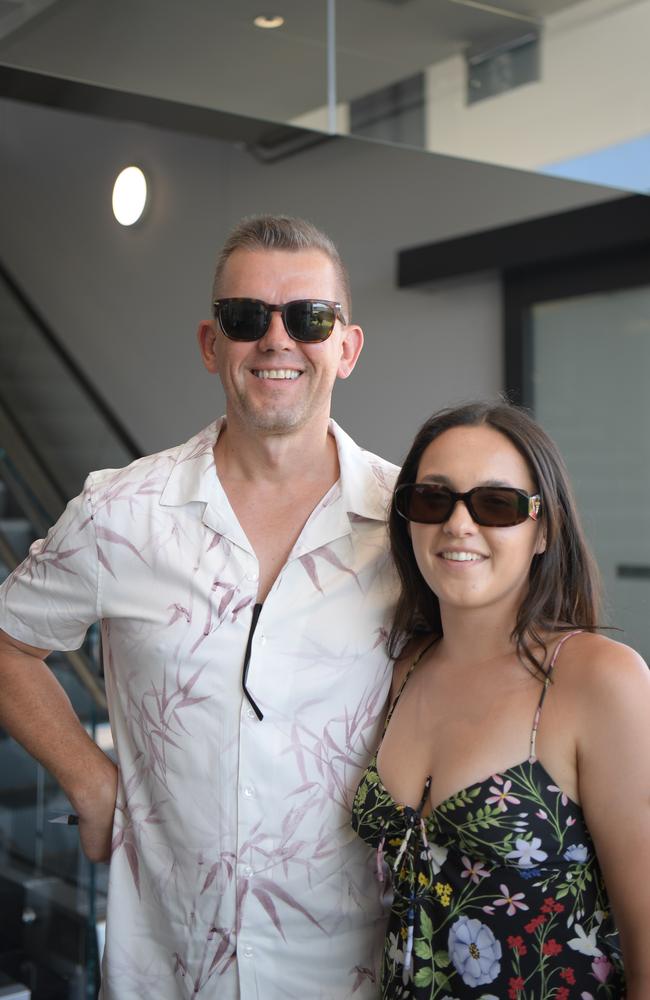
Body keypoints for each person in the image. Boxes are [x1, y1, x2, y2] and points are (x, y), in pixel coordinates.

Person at [0, 215, 400, 999]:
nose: (277, 341)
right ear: (211, 344)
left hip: (356, 973)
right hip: (167, 967)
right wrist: (90, 780)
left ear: (346, 347)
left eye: (309, 318)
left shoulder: (411, 524)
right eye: (246, 318)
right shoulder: (121, 511)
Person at [352, 400, 650, 999]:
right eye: (434, 500)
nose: (459, 525)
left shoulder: (598, 680)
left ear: (544, 530)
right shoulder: (399, 668)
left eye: (496, 504)